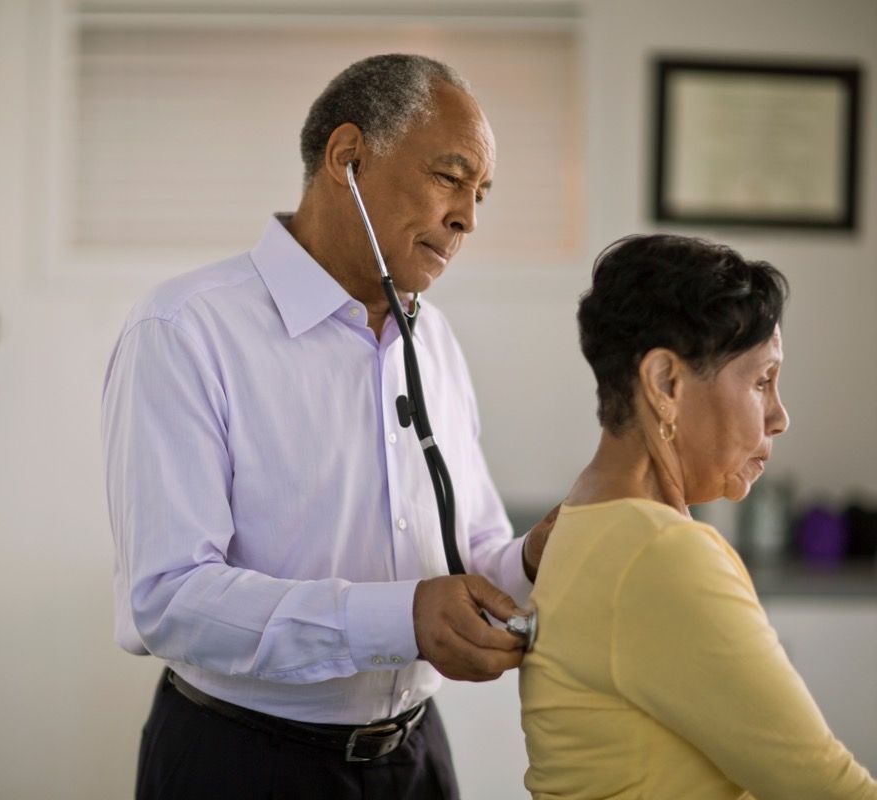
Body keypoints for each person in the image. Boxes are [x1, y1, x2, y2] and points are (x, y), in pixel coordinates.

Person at [102, 54, 553, 799]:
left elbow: (468, 554)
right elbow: (168, 599)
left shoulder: (432, 339)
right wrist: (399, 617)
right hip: (245, 762)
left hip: (414, 759)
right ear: (347, 157)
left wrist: (534, 556)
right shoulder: (185, 329)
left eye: (480, 195)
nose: (468, 218)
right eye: (450, 178)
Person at [519, 234, 877, 799]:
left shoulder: (580, 519)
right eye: (761, 381)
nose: (780, 416)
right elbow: (827, 790)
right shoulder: (660, 552)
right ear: (666, 384)